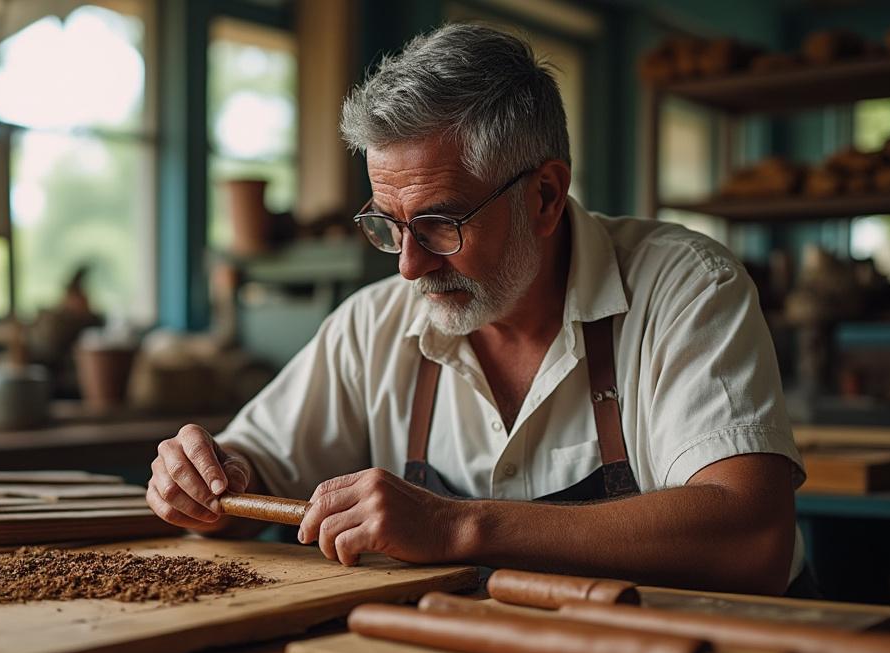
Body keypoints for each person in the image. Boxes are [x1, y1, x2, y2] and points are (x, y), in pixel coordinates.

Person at [146, 23, 808, 596]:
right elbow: (251, 468)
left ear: (545, 196)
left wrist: (458, 525)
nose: (409, 265)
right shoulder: (372, 327)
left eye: (439, 224)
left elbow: (750, 539)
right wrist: (209, 481)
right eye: (388, 226)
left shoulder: (686, 287)